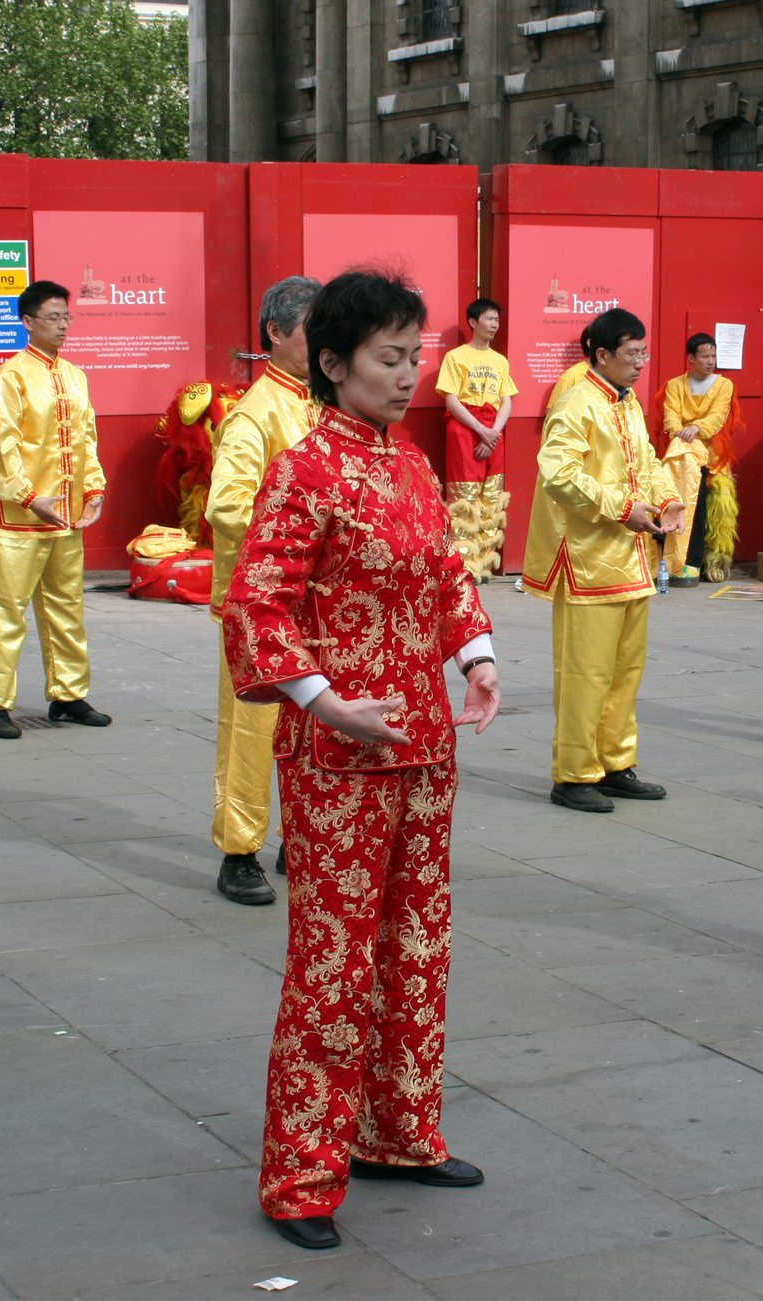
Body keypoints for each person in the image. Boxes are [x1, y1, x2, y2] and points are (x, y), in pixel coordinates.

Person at [223, 269, 500, 1251]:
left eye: (414, 354)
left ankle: (399, 1131)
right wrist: (319, 698)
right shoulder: (305, 467)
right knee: (332, 965)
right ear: (332, 364)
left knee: (418, 947)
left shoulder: (416, 467)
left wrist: (475, 655)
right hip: (339, 755)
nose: (409, 373)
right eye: (389, 357)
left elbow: (447, 572)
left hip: (423, 744)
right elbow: (257, 599)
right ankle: (301, 1172)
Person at [522, 308, 683, 813]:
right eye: (632, 354)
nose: (640, 363)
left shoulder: (628, 403)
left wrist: (666, 499)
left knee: (624, 671)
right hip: (589, 559)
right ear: (603, 354)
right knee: (584, 674)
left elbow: (649, 462)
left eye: (644, 353)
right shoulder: (576, 403)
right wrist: (621, 508)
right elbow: (558, 473)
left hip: (631, 559)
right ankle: (573, 774)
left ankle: (616, 764)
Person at [207, 275, 323, 904]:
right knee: (253, 729)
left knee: (314, 726)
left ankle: (296, 837)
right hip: (262, 603)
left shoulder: (322, 402)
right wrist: (304, 535)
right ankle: (239, 849)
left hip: (319, 602)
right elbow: (228, 507)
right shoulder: (255, 413)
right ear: (276, 334)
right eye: (314, 329)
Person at [0, 281, 113, 739]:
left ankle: (69, 696)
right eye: (53, 318)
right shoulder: (9, 377)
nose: (62, 325)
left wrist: (93, 489)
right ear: (28, 322)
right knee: (5, 610)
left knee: (67, 607)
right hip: (21, 518)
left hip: (66, 516)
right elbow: (1, 447)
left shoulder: (75, 376)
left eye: (66, 317)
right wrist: (30, 498)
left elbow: (86, 437)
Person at [436, 298, 519, 579]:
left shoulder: (499, 361)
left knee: (490, 496)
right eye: (489, 319)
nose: (494, 324)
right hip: (464, 430)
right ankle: (464, 566)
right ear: (473, 322)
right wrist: (481, 431)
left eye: (497, 319)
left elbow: (506, 401)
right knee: (465, 499)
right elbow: (451, 400)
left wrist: (492, 432)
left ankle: (484, 565)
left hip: (494, 431)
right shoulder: (456, 357)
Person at [657, 333, 736, 585]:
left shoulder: (724, 385)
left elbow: (717, 417)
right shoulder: (675, 385)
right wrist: (680, 432)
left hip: (713, 454)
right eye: (705, 356)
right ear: (691, 358)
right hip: (682, 452)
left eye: (713, 356)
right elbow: (670, 417)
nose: (711, 361)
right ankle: (672, 559)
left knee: (719, 507)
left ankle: (712, 563)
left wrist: (696, 429)